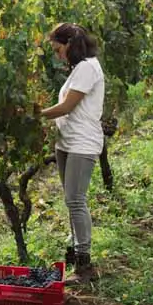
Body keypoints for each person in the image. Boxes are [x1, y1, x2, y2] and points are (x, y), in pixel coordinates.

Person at [38, 23, 105, 287]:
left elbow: (67, 106)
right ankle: (75, 249)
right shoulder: (80, 68)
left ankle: (85, 264)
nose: (57, 56)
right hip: (67, 143)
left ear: (70, 44)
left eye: (58, 50)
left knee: (76, 200)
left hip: (81, 143)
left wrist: (35, 115)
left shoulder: (88, 67)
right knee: (71, 201)